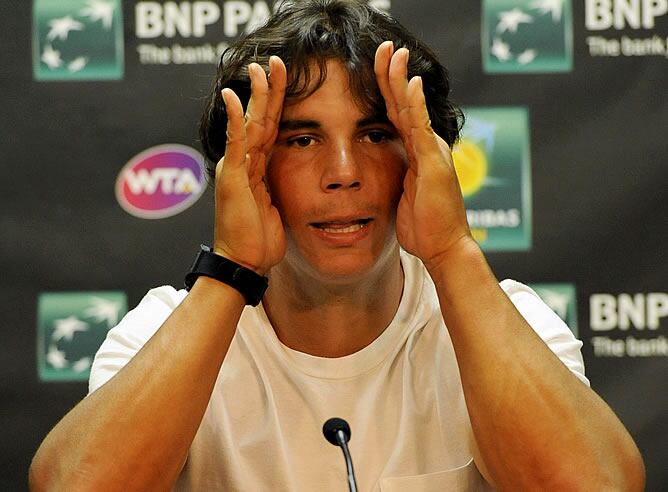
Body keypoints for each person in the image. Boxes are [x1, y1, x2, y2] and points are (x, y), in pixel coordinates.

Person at [30, 1, 645, 490]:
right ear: (246, 168)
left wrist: (452, 251)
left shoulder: (504, 320)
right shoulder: (166, 328)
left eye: (376, 134)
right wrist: (231, 271)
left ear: (423, 159)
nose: (344, 171)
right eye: (302, 140)